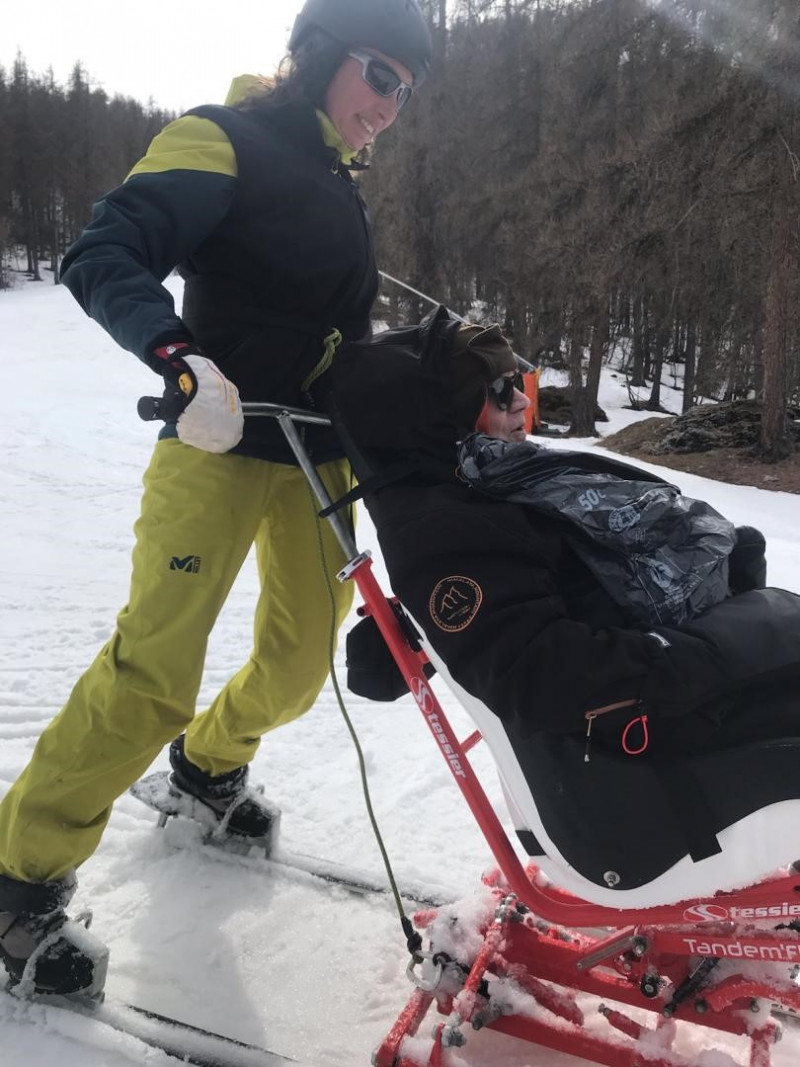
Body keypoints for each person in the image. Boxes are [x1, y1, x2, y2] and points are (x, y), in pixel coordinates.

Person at [0, 0, 433, 999]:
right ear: (323, 55)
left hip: (312, 455)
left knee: (295, 662)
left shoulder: (336, 183)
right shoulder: (220, 136)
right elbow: (103, 253)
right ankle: (19, 876)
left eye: (406, 92)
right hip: (219, 440)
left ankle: (204, 767)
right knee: (155, 668)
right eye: (381, 76)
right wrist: (178, 355)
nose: (391, 106)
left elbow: (327, 336)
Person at [333, 306, 800, 763]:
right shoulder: (445, 527)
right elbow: (536, 672)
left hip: (686, 673)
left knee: (747, 553)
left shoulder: (497, 477)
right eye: (500, 389)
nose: (523, 400)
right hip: (664, 731)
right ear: (448, 417)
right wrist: (720, 647)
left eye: (517, 382)